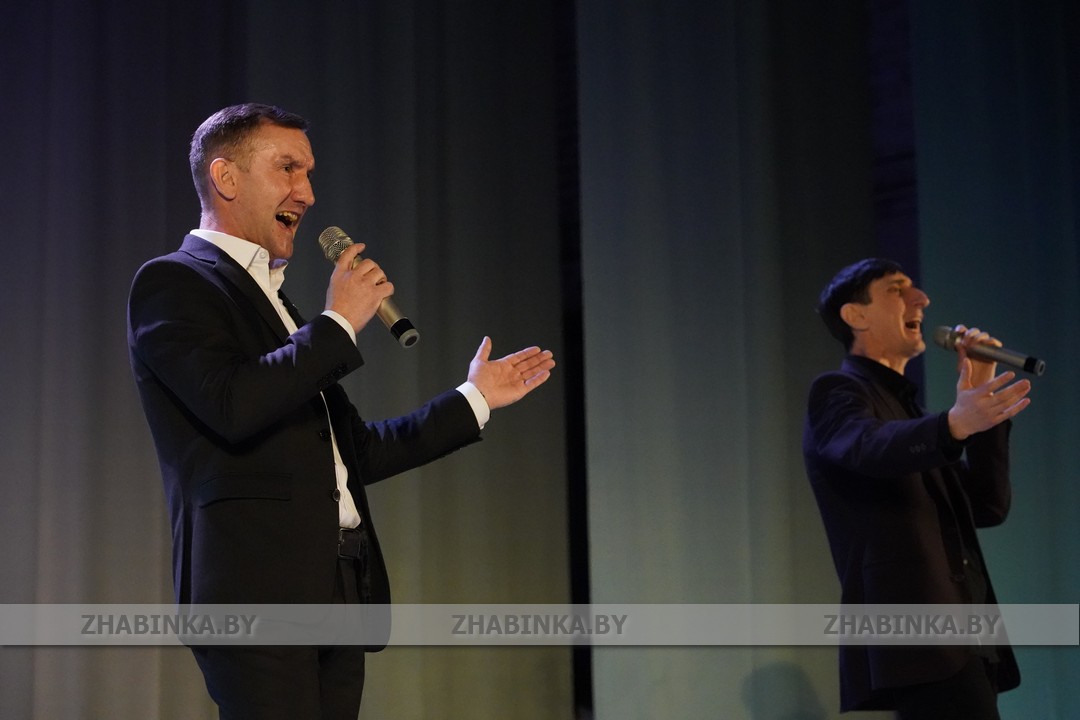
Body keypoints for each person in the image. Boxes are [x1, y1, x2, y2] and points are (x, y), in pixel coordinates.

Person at [127, 103, 556, 719]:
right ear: (225, 178)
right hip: (257, 593)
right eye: (288, 168)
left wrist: (476, 397)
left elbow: (358, 452)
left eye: (309, 173)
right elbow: (231, 404)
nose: (307, 192)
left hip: (338, 585)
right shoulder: (174, 283)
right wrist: (337, 323)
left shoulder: (281, 307)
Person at [802, 258, 1031, 719]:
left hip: (966, 637)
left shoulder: (911, 415)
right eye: (896, 289)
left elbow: (987, 506)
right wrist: (953, 424)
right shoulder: (837, 392)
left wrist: (980, 411)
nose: (921, 298)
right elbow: (867, 446)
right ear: (856, 315)